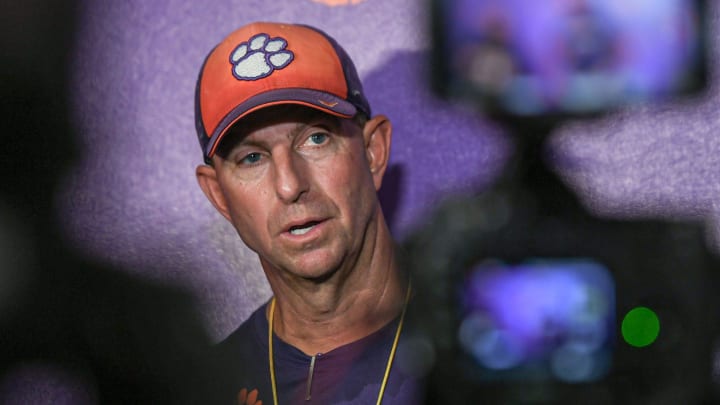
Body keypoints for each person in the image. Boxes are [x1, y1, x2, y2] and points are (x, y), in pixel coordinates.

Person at [194, 22, 421, 404]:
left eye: (316, 138)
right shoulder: (201, 387)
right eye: (251, 158)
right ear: (219, 194)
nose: (289, 185)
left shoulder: (482, 351)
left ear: (373, 153)